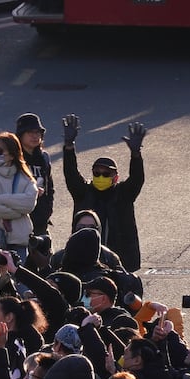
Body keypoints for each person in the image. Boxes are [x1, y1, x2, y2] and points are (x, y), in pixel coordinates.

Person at [60, 114, 147, 271]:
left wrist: (136, 155)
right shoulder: (83, 192)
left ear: (116, 177)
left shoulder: (123, 195)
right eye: (97, 173)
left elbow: (137, 179)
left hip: (121, 261)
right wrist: (69, 146)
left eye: (106, 174)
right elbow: (70, 173)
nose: (101, 176)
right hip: (85, 261)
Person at [0, 131, 40, 256]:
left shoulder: (26, 178)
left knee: (18, 274)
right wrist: (16, 213)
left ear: (12, 155)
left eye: (0, 151)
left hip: (19, 238)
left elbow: (29, 204)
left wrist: (1, 198)